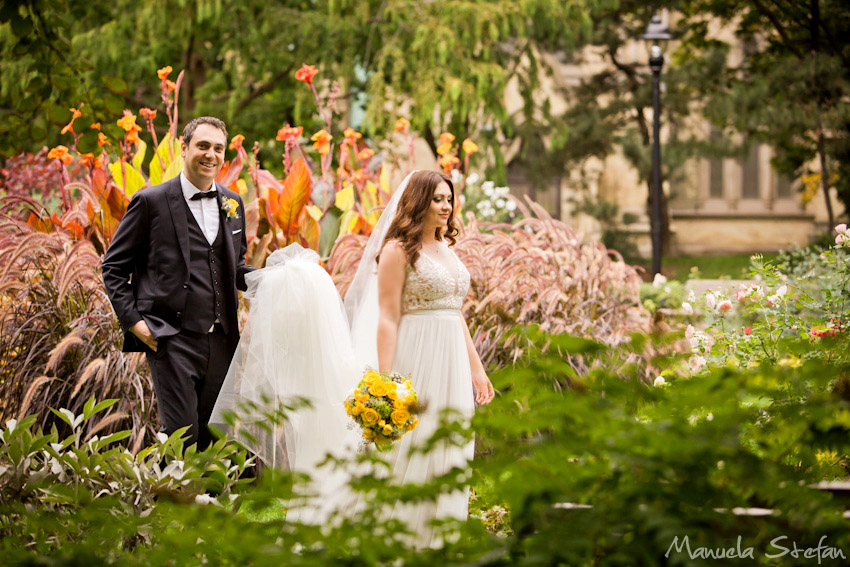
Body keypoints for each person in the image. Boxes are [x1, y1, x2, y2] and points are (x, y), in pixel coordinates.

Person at [209, 170, 494, 542]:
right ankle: (401, 534)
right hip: (417, 355)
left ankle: (442, 536)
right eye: (437, 199)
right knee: (411, 448)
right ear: (419, 202)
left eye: (448, 199)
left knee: (450, 442)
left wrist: (476, 368)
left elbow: (454, 312)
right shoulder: (396, 251)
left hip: (452, 360)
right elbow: (389, 318)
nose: (446, 206)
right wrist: (387, 381)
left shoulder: (447, 250)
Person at [102, 116, 254, 450]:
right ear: (184, 148)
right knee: (181, 438)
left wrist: (275, 279)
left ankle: (211, 502)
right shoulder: (151, 202)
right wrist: (136, 324)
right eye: (202, 146)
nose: (210, 155)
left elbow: (235, 267)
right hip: (171, 340)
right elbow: (113, 267)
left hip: (222, 341)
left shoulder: (232, 203)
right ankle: (179, 501)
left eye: (217, 148)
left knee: (216, 438)